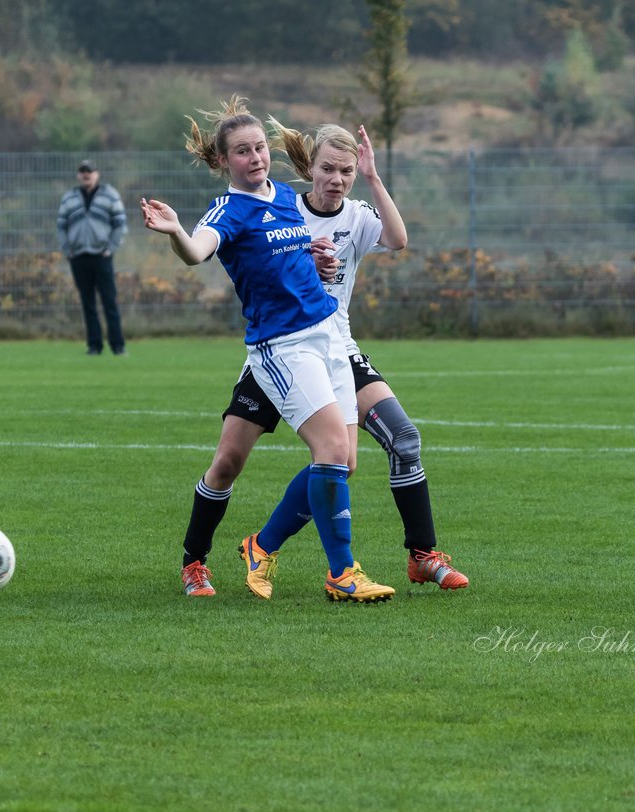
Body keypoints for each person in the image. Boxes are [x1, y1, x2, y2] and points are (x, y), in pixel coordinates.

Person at [175, 119, 469, 598]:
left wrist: (372, 181)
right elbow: (231, 257)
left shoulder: (344, 214)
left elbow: (397, 240)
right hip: (279, 352)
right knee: (228, 462)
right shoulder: (276, 206)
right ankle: (197, 560)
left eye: (346, 171)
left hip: (333, 347)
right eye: (328, 168)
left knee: (378, 447)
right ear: (308, 168)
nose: (336, 178)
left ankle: (412, 556)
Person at [141, 96, 395, 603]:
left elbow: (287, 253)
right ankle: (331, 573)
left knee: (343, 463)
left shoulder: (284, 197)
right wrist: (175, 233)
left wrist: (313, 261)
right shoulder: (228, 211)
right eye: (242, 151)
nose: (255, 157)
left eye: (259, 148)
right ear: (222, 161)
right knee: (238, 462)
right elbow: (197, 251)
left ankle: (263, 547)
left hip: (328, 338)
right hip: (283, 348)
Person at [56, 159, 127, 355]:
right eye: (83, 171)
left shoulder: (110, 195)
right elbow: (61, 226)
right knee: (88, 303)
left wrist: (110, 248)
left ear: (97, 174)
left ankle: (118, 346)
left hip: (102, 256)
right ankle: (94, 346)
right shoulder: (69, 198)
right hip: (78, 256)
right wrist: (67, 250)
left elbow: (120, 224)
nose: (86, 175)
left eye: (90, 171)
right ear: (79, 175)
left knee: (109, 302)